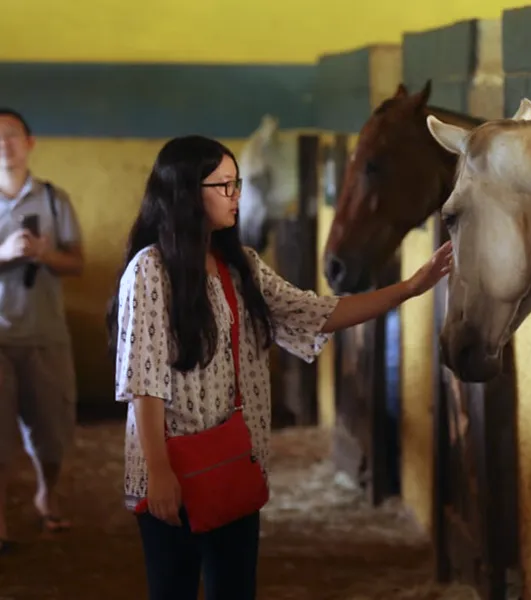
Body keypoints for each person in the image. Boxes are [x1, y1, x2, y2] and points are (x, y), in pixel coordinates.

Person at [106, 134, 452, 600]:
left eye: (237, 184)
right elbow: (143, 381)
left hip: (235, 463)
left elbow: (316, 312)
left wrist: (410, 288)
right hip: (174, 468)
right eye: (223, 186)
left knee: (236, 588)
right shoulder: (150, 271)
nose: (237, 196)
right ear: (186, 193)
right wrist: (159, 470)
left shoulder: (240, 265)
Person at [0, 108, 84, 554]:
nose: (4, 144)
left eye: (12, 135)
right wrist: (5, 253)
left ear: (30, 143)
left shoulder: (54, 199)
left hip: (46, 332)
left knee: (51, 433)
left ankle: (45, 492)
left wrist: (45, 257)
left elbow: (78, 262)